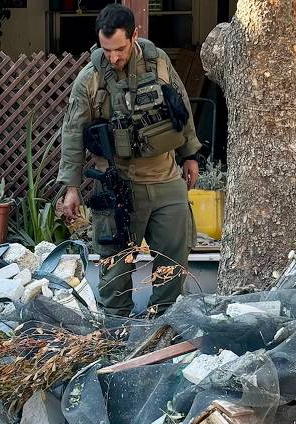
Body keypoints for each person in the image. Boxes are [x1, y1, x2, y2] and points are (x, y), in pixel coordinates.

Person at [57, 4, 201, 317]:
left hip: (165, 180)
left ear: (135, 35)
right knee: (115, 272)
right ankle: (116, 337)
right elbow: (73, 134)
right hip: (117, 186)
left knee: (174, 267)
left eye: (119, 48)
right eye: (106, 49)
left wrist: (190, 154)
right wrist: (71, 186)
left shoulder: (158, 62)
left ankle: (164, 333)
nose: (113, 57)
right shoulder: (90, 80)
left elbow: (181, 107)